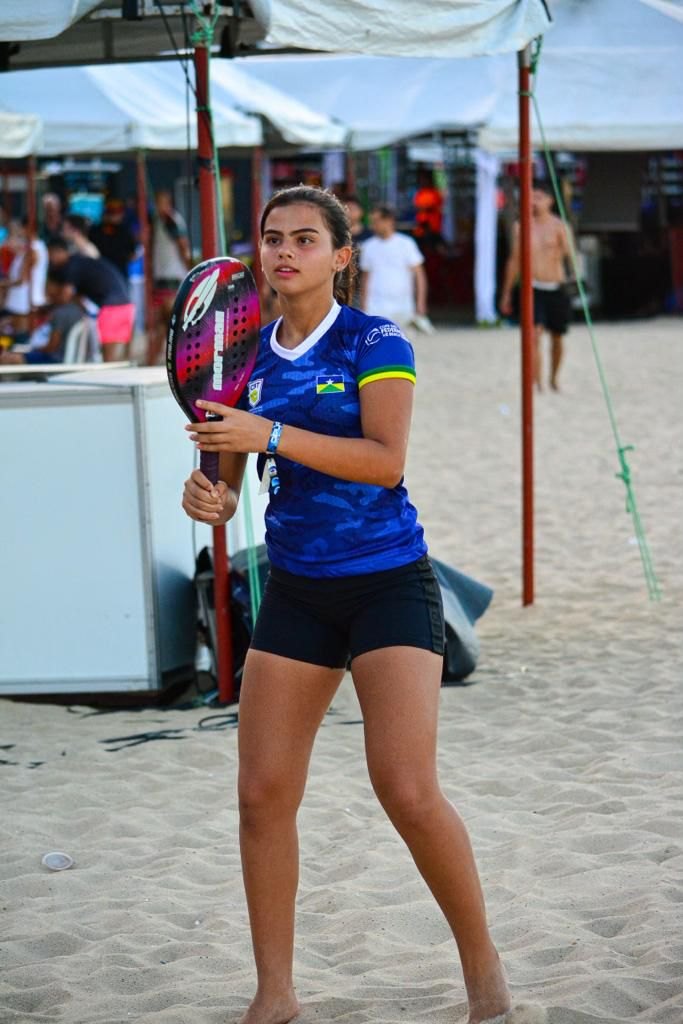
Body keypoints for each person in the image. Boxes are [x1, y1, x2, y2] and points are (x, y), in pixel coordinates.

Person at [181, 186, 539, 1024]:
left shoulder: (378, 341)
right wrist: (210, 498)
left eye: (306, 240)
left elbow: (383, 460)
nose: (283, 253)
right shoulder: (240, 365)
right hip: (298, 588)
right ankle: (275, 993)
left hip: (388, 580)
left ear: (342, 256)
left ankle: (484, 975)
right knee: (261, 794)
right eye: (273, 239)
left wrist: (264, 434)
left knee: (405, 788)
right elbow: (226, 491)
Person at [499, 181, 574, 392]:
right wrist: (506, 293)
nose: (533, 202)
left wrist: (575, 279)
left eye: (538, 197)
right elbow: (514, 260)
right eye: (531, 197)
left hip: (556, 286)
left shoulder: (560, 226)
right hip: (532, 287)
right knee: (533, 334)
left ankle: (554, 378)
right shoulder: (521, 226)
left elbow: (571, 257)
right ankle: (537, 382)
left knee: (557, 336)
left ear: (550, 201)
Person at [48, 237, 135, 363]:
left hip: (113, 307)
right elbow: (77, 299)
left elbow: (65, 296)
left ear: (59, 251)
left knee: (109, 361)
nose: (51, 259)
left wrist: (49, 306)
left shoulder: (72, 266)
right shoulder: (79, 263)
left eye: (51, 254)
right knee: (114, 360)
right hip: (123, 305)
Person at [360, 204, 433, 334]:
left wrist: (421, 303)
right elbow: (366, 278)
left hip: (403, 306)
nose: (373, 225)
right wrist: (363, 306)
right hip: (376, 307)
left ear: (389, 221)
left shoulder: (406, 244)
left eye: (376, 221)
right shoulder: (368, 246)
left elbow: (419, 275)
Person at [0, 268, 92, 365]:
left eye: (48, 286)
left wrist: (32, 349)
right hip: (67, 358)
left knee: (9, 358)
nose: (46, 290)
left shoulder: (60, 313)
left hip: (55, 360)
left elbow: (51, 347)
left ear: (57, 288)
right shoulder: (77, 309)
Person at [149, 188, 191, 365]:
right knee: (163, 323)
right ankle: (157, 360)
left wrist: (189, 267)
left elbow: (183, 246)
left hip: (172, 278)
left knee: (170, 323)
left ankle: (172, 360)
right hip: (163, 278)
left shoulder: (171, 220)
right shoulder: (159, 221)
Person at [0, 218, 48, 341]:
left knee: (20, 338)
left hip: (24, 303)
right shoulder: (31, 248)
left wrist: (3, 284)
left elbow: (22, 280)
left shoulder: (33, 250)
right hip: (21, 302)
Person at [89, 198, 137, 280]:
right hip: (99, 273)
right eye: (111, 213)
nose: (114, 216)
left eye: (117, 213)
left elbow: (132, 256)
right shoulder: (95, 231)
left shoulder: (125, 232)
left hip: (119, 274)